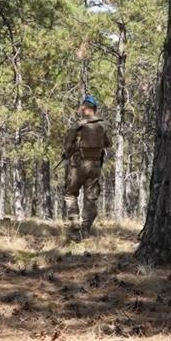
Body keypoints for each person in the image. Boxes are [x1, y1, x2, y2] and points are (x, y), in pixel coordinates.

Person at [62, 95, 111, 239]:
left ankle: (75, 224)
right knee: (91, 199)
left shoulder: (77, 126)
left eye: (81, 107)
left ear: (84, 108)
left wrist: (68, 153)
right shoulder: (103, 126)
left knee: (70, 194)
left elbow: (68, 147)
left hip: (78, 166)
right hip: (95, 166)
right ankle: (85, 229)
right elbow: (108, 143)